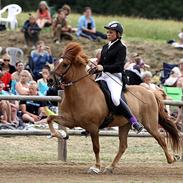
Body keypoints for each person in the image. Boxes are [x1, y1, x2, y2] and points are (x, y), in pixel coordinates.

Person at [95, 21, 143, 133]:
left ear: (118, 34)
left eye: (111, 32)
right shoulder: (105, 46)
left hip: (115, 77)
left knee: (115, 99)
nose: (108, 34)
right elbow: (101, 63)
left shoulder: (121, 47)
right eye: (107, 32)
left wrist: (103, 68)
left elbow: (118, 66)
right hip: (103, 76)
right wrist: (95, 68)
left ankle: (134, 121)